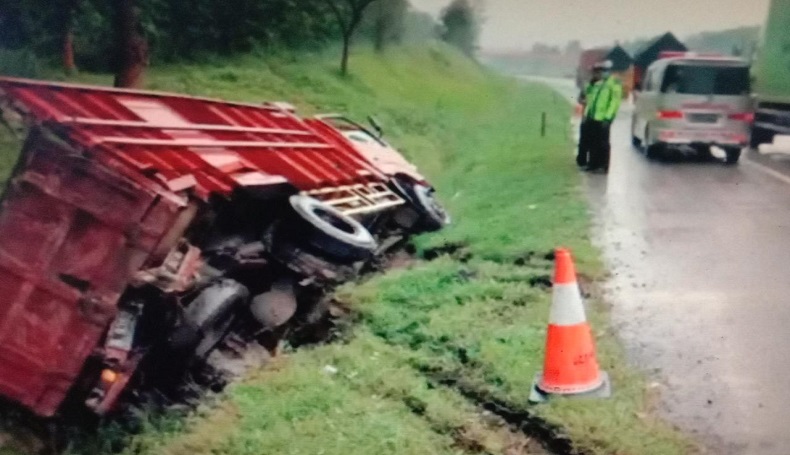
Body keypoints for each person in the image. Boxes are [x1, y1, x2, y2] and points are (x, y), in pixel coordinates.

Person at [581, 60, 622, 174]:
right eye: (597, 72)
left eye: (600, 72)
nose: (598, 74)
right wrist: (587, 114)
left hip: (604, 118)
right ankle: (592, 164)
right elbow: (591, 99)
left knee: (603, 143)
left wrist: (608, 118)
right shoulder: (598, 84)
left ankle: (603, 166)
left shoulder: (614, 83)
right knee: (593, 142)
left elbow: (614, 102)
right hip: (593, 117)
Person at [576, 68, 602, 167]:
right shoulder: (587, 86)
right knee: (583, 141)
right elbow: (580, 98)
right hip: (586, 116)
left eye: (598, 73)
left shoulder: (601, 87)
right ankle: (581, 161)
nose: (597, 75)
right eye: (596, 73)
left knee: (594, 142)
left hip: (596, 117)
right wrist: (584, 102)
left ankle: (592, 162)